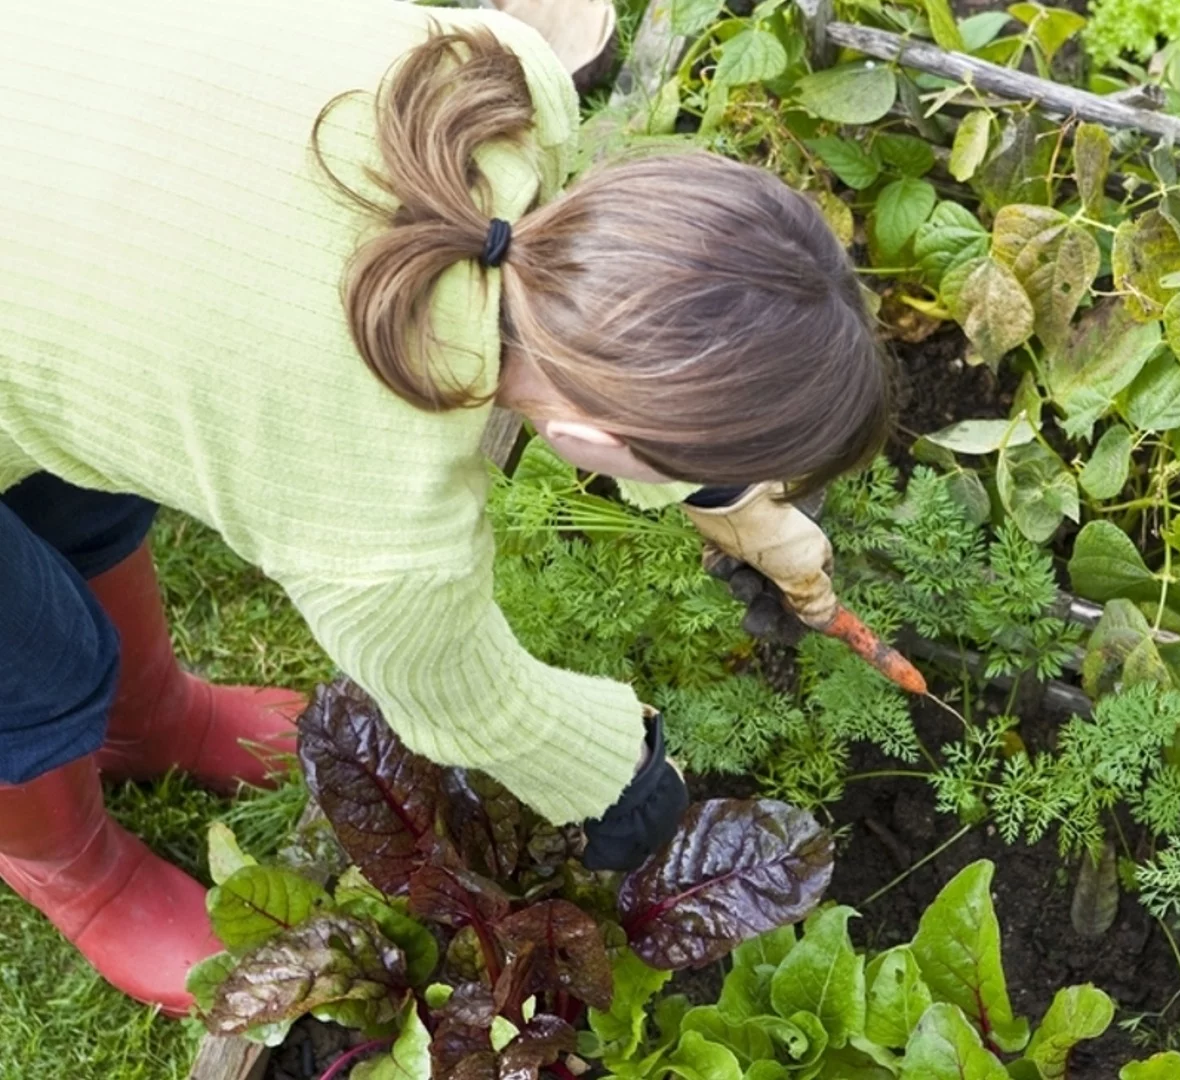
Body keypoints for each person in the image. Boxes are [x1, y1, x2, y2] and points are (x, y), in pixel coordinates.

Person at [0, 0, 890, 1015]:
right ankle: (76, 870)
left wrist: (735, 498)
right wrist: (633, 789)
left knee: (86, 494)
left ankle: (149, 717)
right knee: (33, 667)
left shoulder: (486, 82)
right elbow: (474, 704)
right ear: (597, 449)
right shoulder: (382, 523)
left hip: (47, 119)